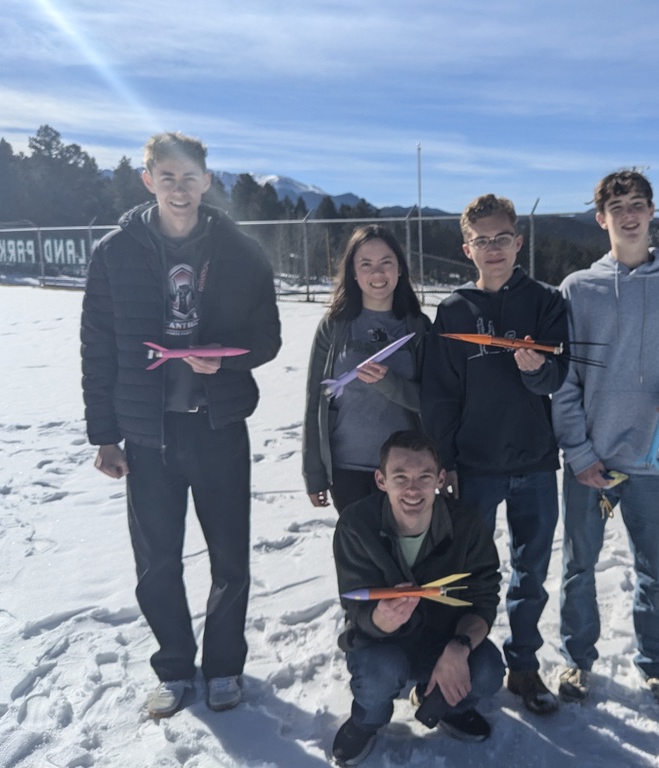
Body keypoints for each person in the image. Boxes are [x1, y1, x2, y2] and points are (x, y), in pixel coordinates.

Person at [80, 132, 281, 718]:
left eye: (190, 176)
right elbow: (97, 347)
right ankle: (173, 667)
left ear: (206, 181)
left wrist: (227, 361)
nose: (179, 188)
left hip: (218, 426)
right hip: (148, 433)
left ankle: (224, 666)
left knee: (230, 559)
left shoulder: (240, 250)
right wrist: (104, 434)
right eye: (167, 176)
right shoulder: (115, 252)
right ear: (148, 180)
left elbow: (267, 337)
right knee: (157, 563)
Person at [551, 170, 659, 714]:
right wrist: (579, 453)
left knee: (653, 574)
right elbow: (564, 381)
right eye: (616, 207)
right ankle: (576, 659)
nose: (628, 214)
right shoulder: (578, 289)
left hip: (652, 461)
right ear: (601, 219)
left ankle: (657, 666)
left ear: (652, 211)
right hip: (590, 463)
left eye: (637, 203)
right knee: (578, 568)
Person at [421, 194, 569, 715]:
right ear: (467, 249)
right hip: (476, 467)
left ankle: (524, 665)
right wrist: (445, 457)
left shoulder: (546, 301)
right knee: (467, 571)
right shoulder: (453, 310)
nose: (493, 249)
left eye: (502, 238)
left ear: (518, 241)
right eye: (481, 241)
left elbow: (559, 373)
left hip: (534, 462)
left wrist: (537, 371)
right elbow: (440, 394)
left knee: (531, 572)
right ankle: (459, 662)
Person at [331, 430, 504, 765]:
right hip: (382, 645)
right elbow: (355, 609)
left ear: (440, 479)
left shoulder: (467, 524)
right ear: (381, 480)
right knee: (379, 671)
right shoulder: (356, 525)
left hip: (444, 640)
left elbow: (484, 598)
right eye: (400, 477)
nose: (412, 489)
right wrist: (381, 619)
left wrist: (460, 646)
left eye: (424, 477)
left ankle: (447, 704)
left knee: (488, 670)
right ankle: (366, 720)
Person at [304, 225, 432, 513]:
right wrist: (313, 472)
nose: (377, 273)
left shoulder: (417, 326)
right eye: (366, 264)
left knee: (404, 543)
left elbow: (433, 401)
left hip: (407, 471)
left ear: (400, 269)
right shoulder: (334, 326)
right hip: (346, 470)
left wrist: (390, 383)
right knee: (359, 543)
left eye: (386, 262)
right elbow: (315, 402)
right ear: (353, 271)